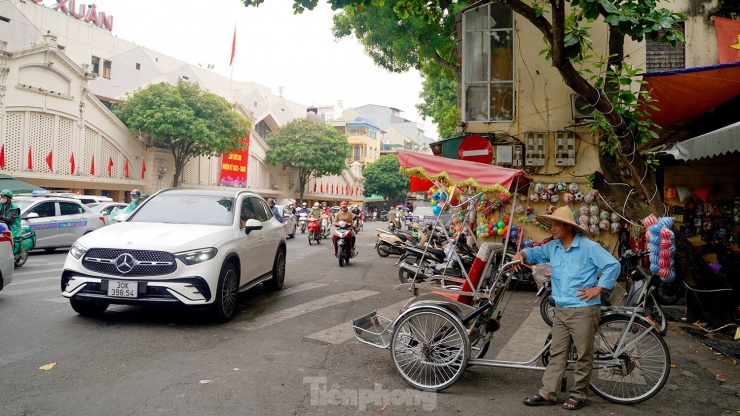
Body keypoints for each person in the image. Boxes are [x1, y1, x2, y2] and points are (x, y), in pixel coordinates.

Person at [513, 206, 619, 411]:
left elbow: (612, 265)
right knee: (557, 353)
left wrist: (599, 288)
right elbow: (534, 252)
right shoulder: (553, 247)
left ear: (567, 227)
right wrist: (521, 254)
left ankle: (579, 394)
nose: (552, 228)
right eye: (551, 225)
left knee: (583, 354)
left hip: (584, 309)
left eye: (555, 225)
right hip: (561, 309)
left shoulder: (589, 247)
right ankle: (548, 392)